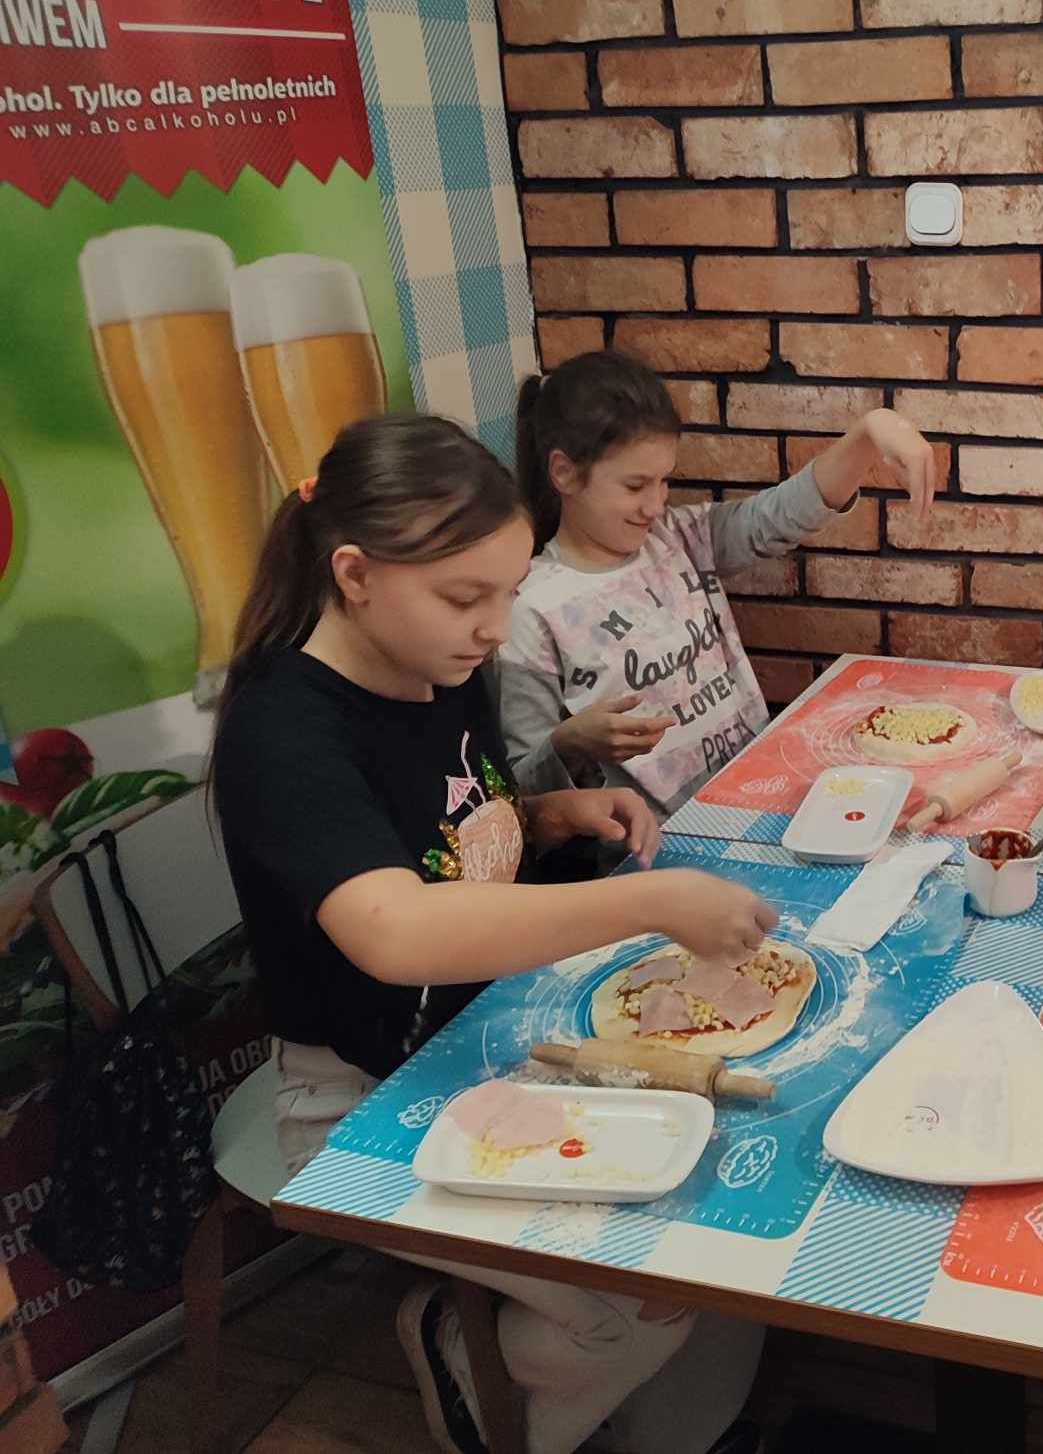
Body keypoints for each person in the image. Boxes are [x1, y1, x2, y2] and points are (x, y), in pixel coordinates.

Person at [210, 415, 775, 1454]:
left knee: (710, 1233)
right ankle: (472, 1369)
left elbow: (449, 830)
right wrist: (648, 900)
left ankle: (571, 1392)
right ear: (354, 574)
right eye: (466, 597)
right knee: (640, 1299)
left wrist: (549, 816)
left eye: (509, 593)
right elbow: (395, 928)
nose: (493, 627)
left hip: (492, 1033)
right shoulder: (282, 731)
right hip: (358, 1093)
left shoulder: (440, 667)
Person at [499, 351, 937, 821]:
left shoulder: (678, 537)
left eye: (664, 481)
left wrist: (869, 432)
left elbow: (781, 515)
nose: (655, 505)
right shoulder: (532, 609)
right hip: (660, 845)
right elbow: (522, 791)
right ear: (564, 473)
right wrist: (568, 744)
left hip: (756, 798)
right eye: (635, 486)